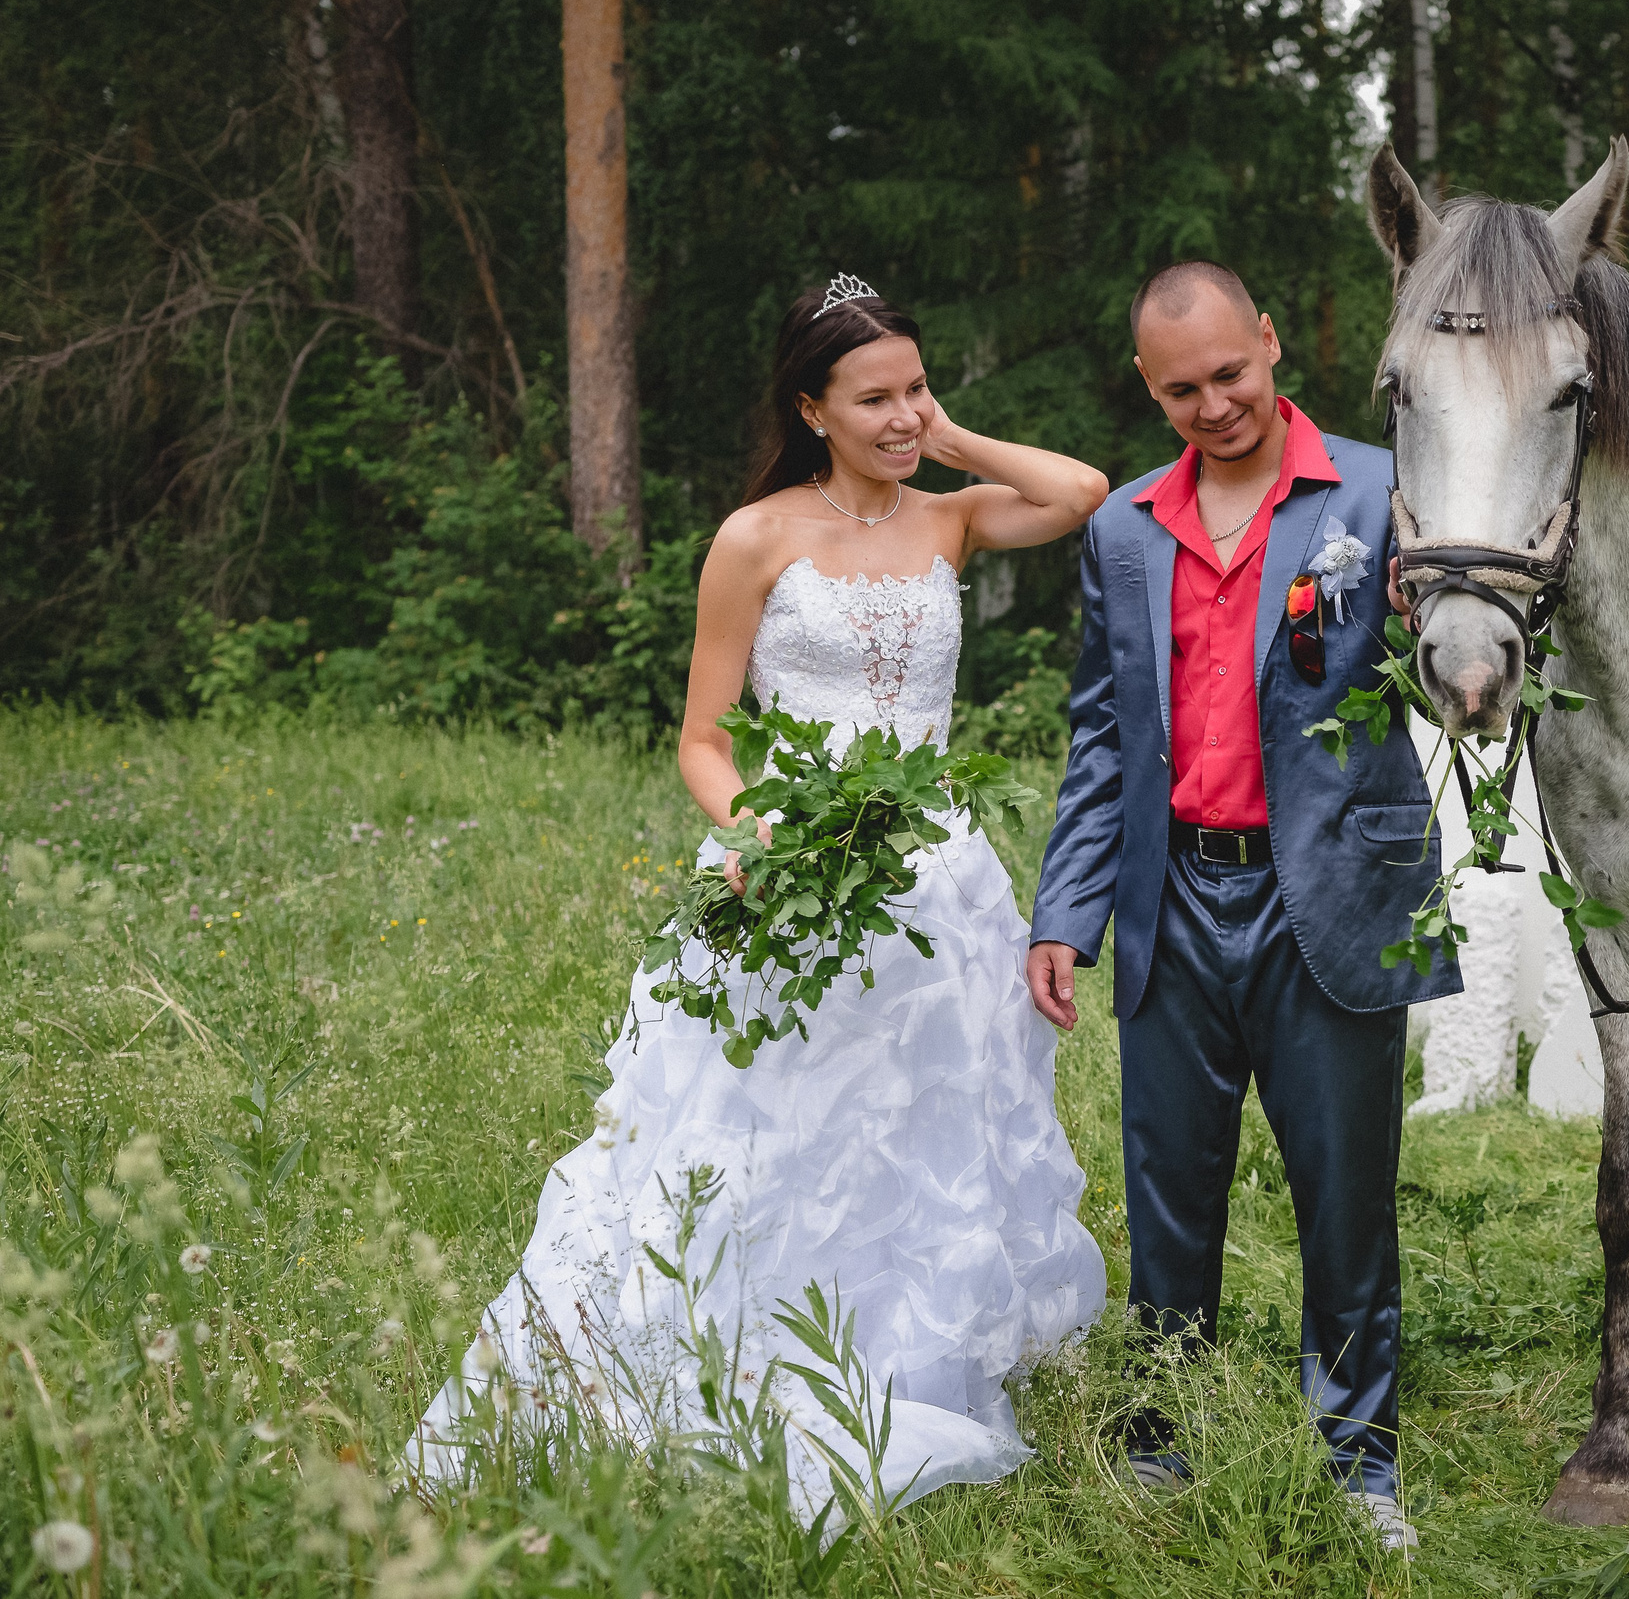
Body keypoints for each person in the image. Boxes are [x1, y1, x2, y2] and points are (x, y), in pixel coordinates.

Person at [411, 275, 1111, 1514]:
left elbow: (1079, 493)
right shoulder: (756, 538)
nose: (900, 415)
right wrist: (753, 829)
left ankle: (911, 1354)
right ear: (810, 406)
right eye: (873, 398)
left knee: (925, 1126)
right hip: (791, 870)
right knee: (772, 1129)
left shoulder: (948, 520)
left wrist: (943, 439)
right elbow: (701, 736)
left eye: (912, 388)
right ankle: (740, 1352)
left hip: (938, 881)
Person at [1026, 261, 1459, 1553]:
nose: (1214, 405)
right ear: (1149, 392)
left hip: (1331, 892)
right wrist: (1067, 909)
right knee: (1168, 1190)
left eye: (1231, 372)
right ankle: (1160, 1439)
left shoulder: (1383, 489)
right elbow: (1103, 737)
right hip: (1175, 901)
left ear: (1270, 344)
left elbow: (1461, 663)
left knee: (1345, 1196)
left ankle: (1360, 1460)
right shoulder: (1123, 529)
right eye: (1181, 390)